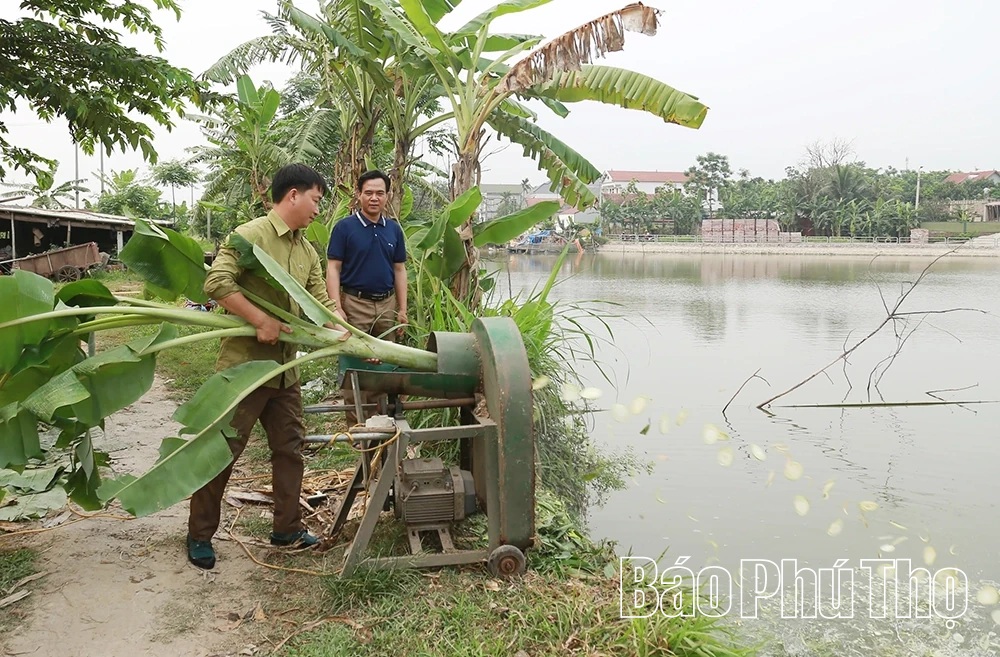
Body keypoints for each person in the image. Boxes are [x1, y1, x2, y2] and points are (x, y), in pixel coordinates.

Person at [186, 163, 348, 570]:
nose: (317, 210)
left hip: (284, 369)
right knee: (222, 450)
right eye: (315, 200)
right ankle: (200, 534)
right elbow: (216, 284)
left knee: (290, 448)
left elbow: (320, 302)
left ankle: (287, 528)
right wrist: (260, 320)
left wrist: (345, 331)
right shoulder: (250, 235)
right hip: (244, 367)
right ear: (292, 195)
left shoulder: (307, 249)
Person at [326, 170, 408, 426]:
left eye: (380, 193)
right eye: (369, 192)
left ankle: (384, 422)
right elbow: (333, 268)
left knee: (386, 362)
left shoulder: (393, 230)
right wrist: (336, 307)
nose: (374, 198)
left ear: (388, 196)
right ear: (359, 194)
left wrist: (402, 309)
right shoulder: (345, 228)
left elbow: (399, 270)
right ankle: (358, 427)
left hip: (387, 305)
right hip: (354, 303)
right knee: (356, 364)